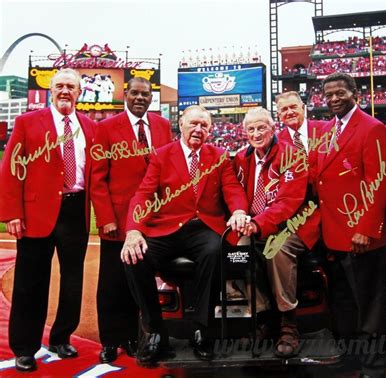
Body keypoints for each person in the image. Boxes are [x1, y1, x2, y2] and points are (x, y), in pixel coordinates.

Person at [120, 105, 248, 366]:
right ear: (181, 124)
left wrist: (238, 211)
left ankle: (202, 329)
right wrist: (133, 229)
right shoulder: (162, 155)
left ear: (211, 130)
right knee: (134, 258)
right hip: (167, 227)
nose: (198, 129)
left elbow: (232, 188)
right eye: (193, 124)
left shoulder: (220, 156)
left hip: (203, 227)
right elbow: (143, 193)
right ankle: (155, 330)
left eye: (204, 125)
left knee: (215, 251)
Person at [0, 68, 95, 372]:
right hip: (36, 212)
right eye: (60, 86)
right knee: (30, 282)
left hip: (76, 209)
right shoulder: (28, 122)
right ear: (51, 91)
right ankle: (25, 347)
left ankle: (61, 337)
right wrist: (12, 213)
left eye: (71, 86)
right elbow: (12, 169)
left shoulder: (91, 127)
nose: (65, 91)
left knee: (72, 280)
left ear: (80, 93)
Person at [315, 72, 386, 378]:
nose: (334, 99)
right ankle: (351, 358)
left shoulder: (372, 128)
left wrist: (368, 227)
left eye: (340, 93)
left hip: (361, 234)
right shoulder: (328, 130)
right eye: (329, 94)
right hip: (333, 234)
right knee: (344, 303)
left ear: (354, 93)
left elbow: (379, 181)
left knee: (370, 305)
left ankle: (374, 367)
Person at [90, 77, 172, 363]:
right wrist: (106, 218)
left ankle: (136, 336)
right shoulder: (106, 128)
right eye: (135, 93)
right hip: (119, 221)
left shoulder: (162, 126)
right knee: (113, 282)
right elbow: (97, 179)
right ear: (125, 95)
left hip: (155, 219)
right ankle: (111, 340)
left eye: (145, 94)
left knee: (142, 280)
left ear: (152, 97)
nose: (140, 97)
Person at [233, 107, 308, 358]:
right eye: (251, 129)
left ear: (273, 128)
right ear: (245, 133)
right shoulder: (242, 158)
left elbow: (288, 202)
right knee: (237, 252)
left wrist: (259, 223)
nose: (256, 133)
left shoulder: (292, 155)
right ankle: (264, 317)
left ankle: (288, 323)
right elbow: (233, 192)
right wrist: (241, 216)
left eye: (261, 127)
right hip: (255, 225)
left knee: (277, 249)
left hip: (290, 225)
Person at [275, 91, 324, 254]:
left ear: (303, 108)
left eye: (293, 107)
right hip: (301, 214)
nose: (289, 112)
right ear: (279, 114)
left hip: (332, 208)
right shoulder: (275, 143)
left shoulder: (325, 130)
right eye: (284, 109)